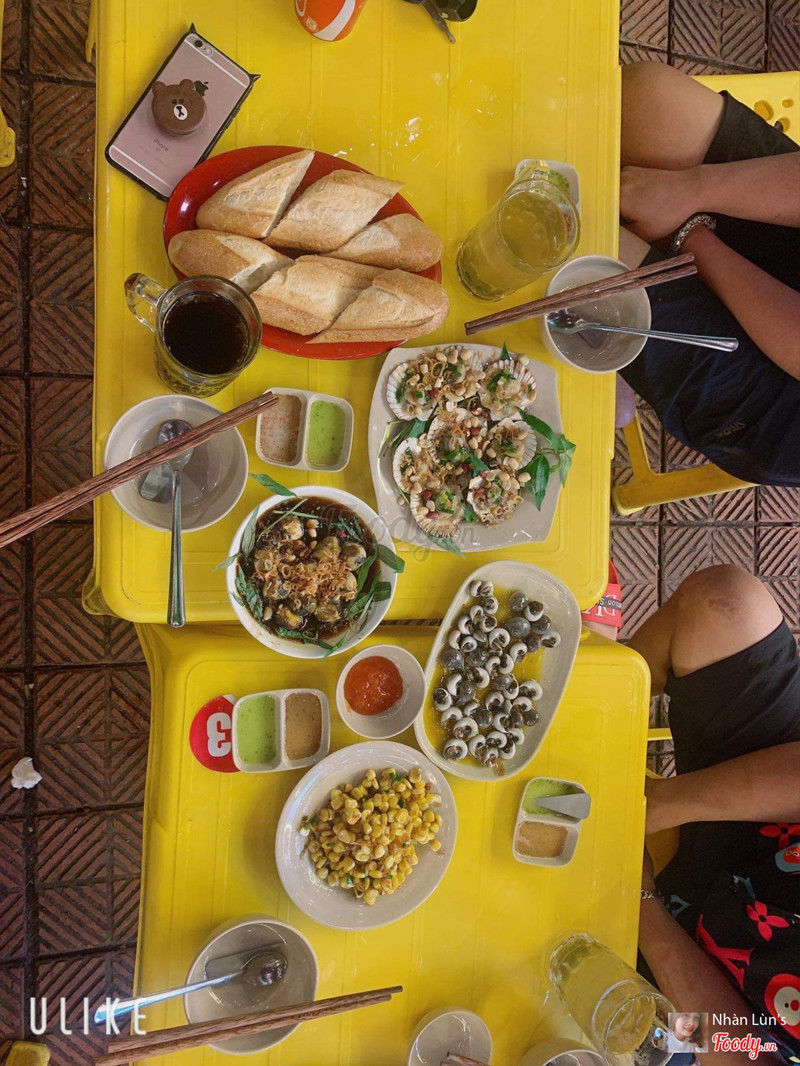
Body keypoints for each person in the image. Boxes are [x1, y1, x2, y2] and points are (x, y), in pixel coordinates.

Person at [628, 565, 800, 1066]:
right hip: (771, 819)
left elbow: (741, 1052)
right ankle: (581, 705)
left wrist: (642, 907)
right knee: (724, 602)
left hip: (709, 996)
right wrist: (664, 803)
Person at [616, 62, 800, 485]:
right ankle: (618, 348)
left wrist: (688, 237)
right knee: (647, 100)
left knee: (578, 250)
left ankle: (615, 357)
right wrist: (694, 188)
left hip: (784, 402)